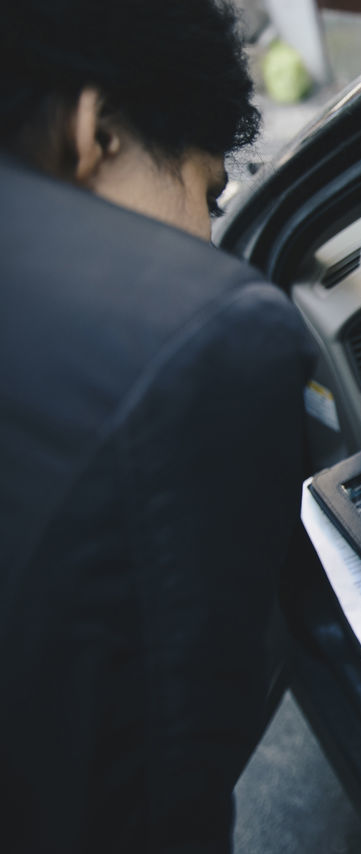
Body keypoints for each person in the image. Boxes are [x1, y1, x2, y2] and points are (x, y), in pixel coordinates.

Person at [0, 2, 314, 850]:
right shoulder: (189, 346)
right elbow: (157, 792)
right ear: (93, 131)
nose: (212, 244)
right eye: (208, 194)